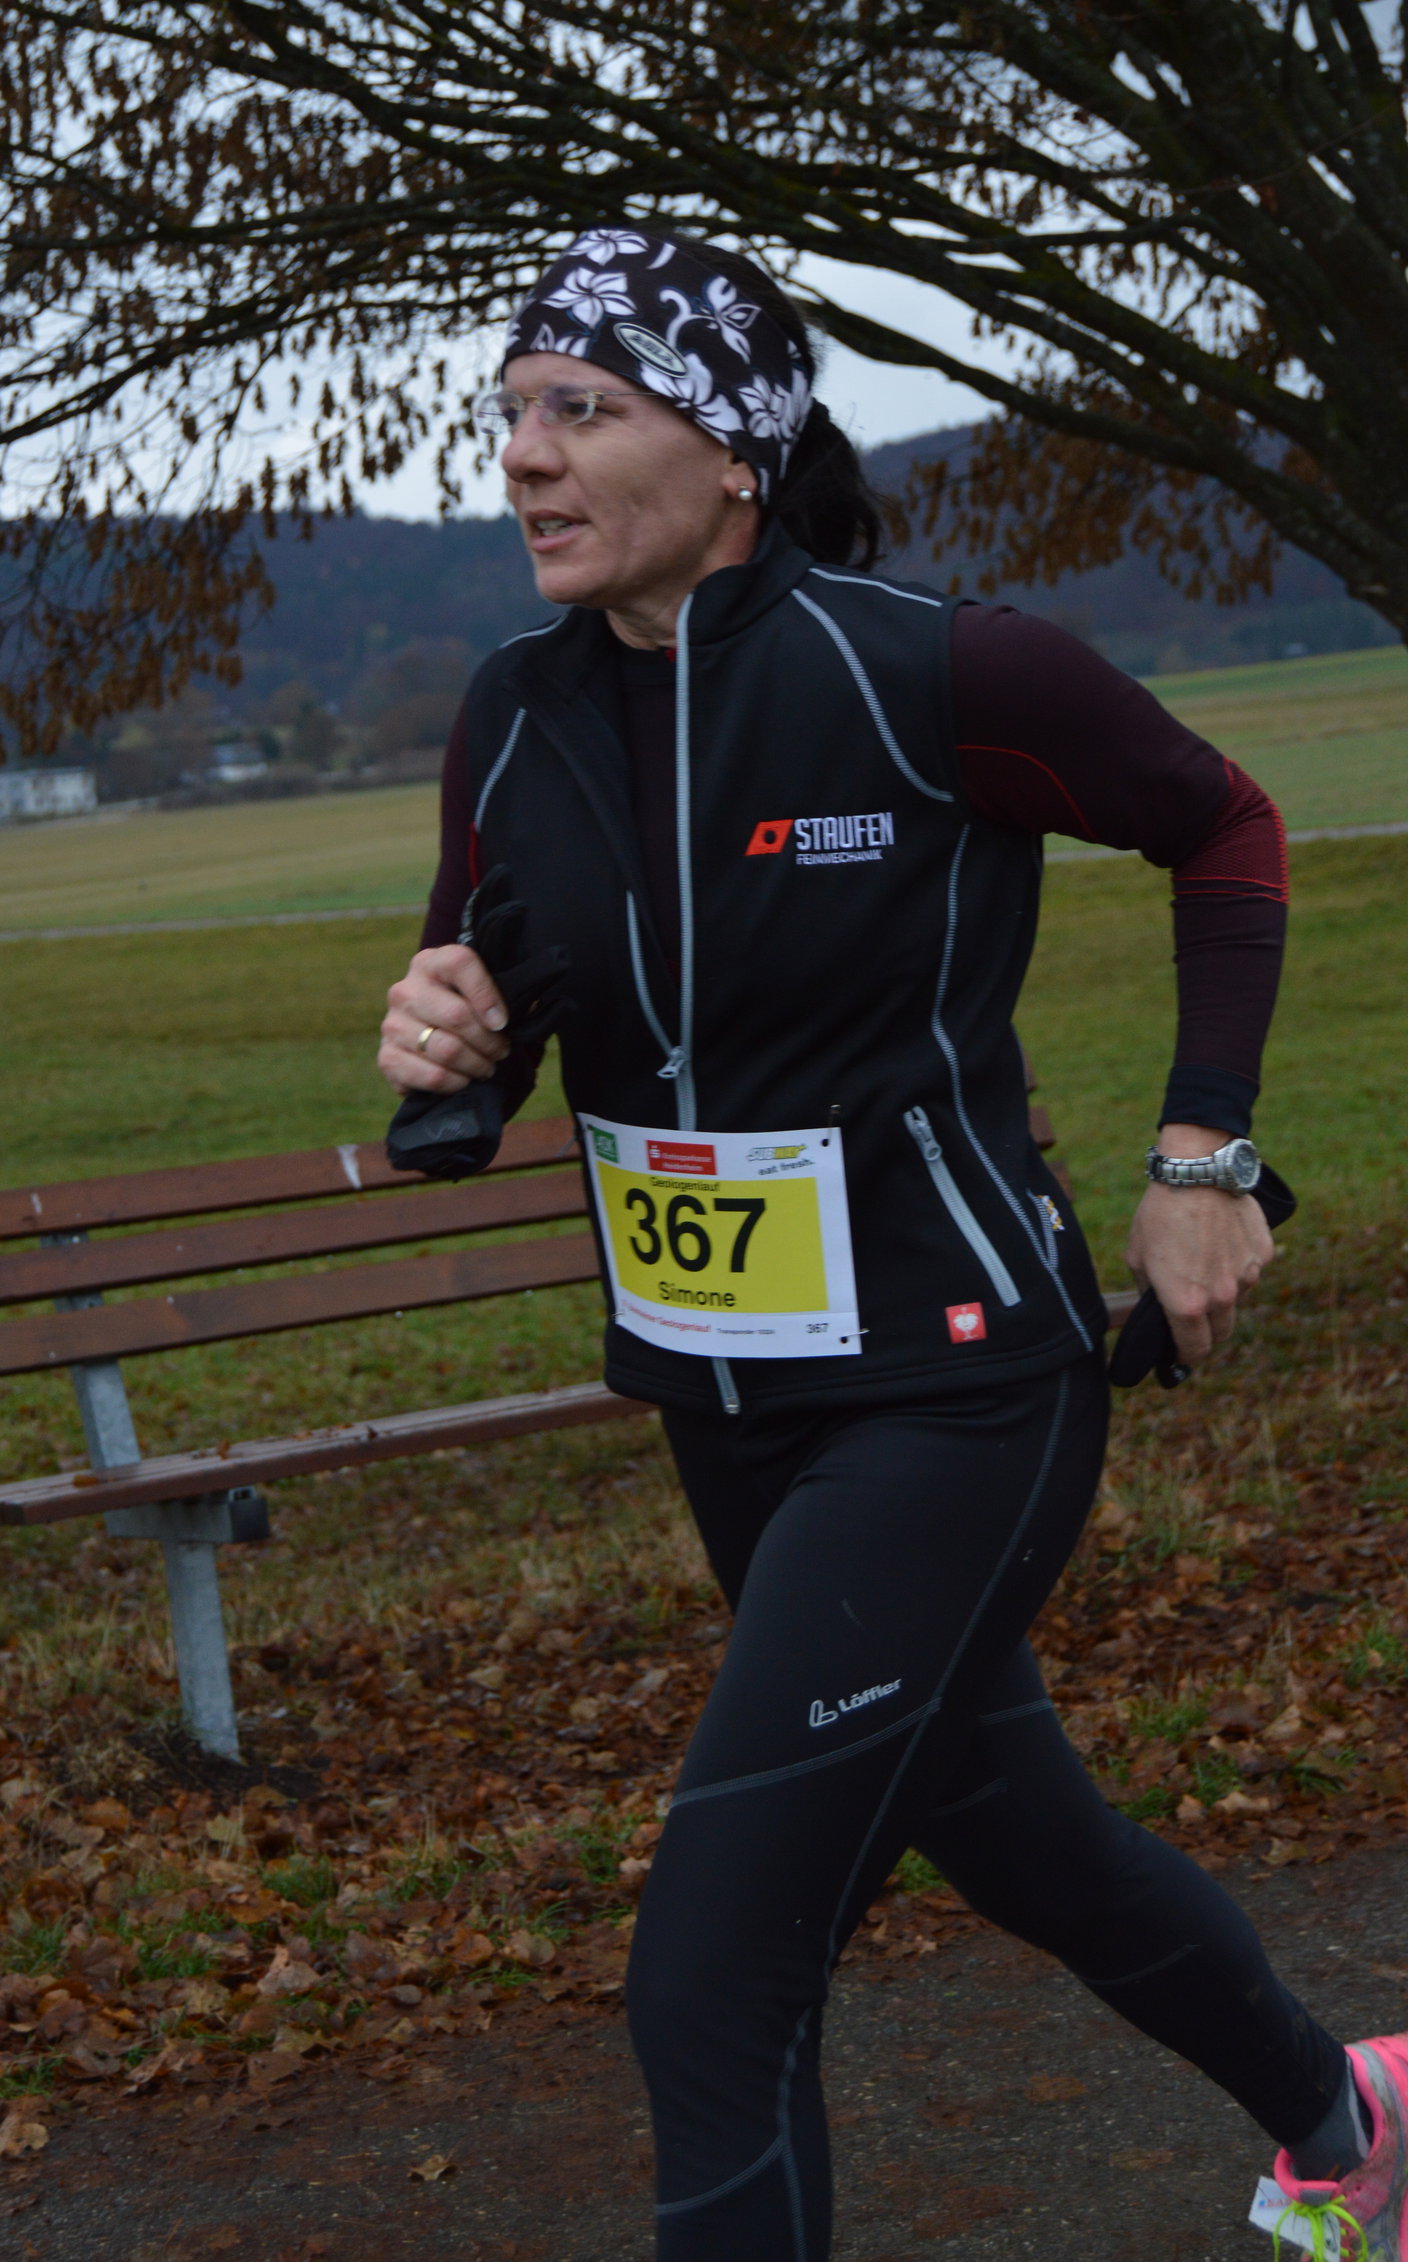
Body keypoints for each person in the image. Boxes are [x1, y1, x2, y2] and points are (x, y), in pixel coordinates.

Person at [377, 228, 1408, 2261]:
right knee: (1015, 1831)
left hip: (954, 1386)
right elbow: (489, 987)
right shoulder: (510, 714)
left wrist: (1201, 1156)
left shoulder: (930, 667)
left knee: (713, 1975)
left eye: (581, 407)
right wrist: (446, 1038)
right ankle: (1351, 2123)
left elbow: (1223, 826)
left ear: (733, 453)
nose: (524, 455)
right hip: (722, 1401)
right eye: (510, 413)